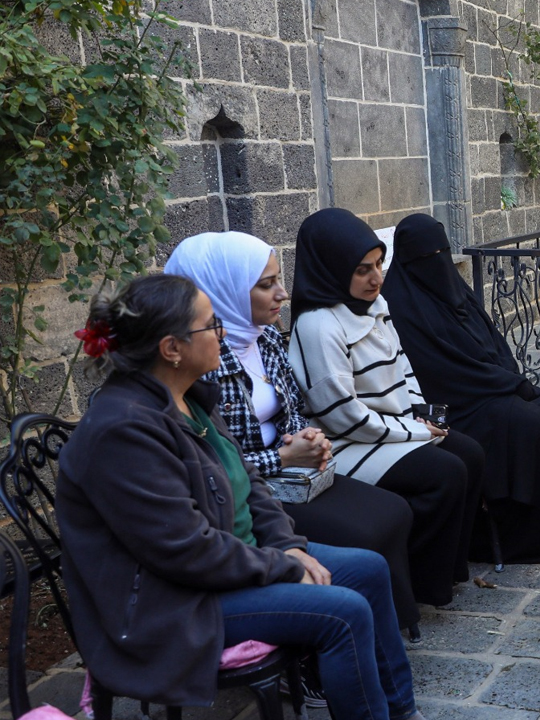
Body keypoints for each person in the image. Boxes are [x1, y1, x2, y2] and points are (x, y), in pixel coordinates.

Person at [56, 274, 422, 720]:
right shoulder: (123, 430)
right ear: (172, 348)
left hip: (233, 565)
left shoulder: (190, 397)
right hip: (175, 603)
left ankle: (401, 711)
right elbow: (186, 551)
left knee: (368, 569)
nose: (223, 332)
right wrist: (284, 566)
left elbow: (249, 484)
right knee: (343, 613)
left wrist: (287, 545)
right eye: (211, 324)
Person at [164, 231, 422, 641]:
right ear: (225, 290)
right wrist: (283, 458)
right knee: (363, 532)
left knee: (392, 511)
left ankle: (386, 625)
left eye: (279, 280)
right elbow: (218, 460)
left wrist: (306, 436)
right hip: (259, 482)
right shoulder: (201, 361)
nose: (282, 294)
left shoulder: (264, 336)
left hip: (294, 471)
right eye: (266, 284)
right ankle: (340, 631)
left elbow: (292, 404)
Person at [288, 207, 484, 607]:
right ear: (332, 268)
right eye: (362, 270)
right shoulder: (319, 326)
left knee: (470, 453)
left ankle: (445, 572)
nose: (376, 278)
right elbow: (344, 416)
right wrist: (415, 431)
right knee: (443, 473)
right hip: (348, 443)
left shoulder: (375, 305)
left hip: (392, 427)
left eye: (379, 264)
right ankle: (417, 582)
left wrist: (421, 410)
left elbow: (402, 363)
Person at [381, 213, 540, 564]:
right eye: (428, 256)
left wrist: (509, 378)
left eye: (443, 252)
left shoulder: (456, 292)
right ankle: (529, 534)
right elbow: (441, 372)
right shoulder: (400, 308)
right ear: (408, 260)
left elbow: (493, 343)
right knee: (531, 426)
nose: (438, 262)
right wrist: (506, 384)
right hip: (458, 404)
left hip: (491, 386)